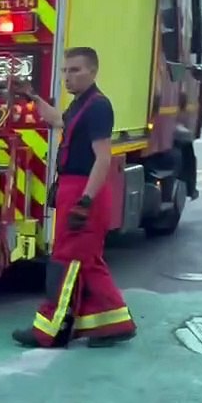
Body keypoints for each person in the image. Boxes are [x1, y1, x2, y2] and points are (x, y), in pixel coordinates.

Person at [12, 47, 137, 349]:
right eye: (65, 71)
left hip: (84, 190)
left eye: (76, 70)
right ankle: (115, 325)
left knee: (65, 261)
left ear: (93, 72)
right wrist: (33, 98)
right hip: (74, 188)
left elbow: (103, 159)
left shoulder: (98, 107)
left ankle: (48, 331)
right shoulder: (81, 104)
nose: (68, 76)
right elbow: (58, 120)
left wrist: (85, 201)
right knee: (87, 261)